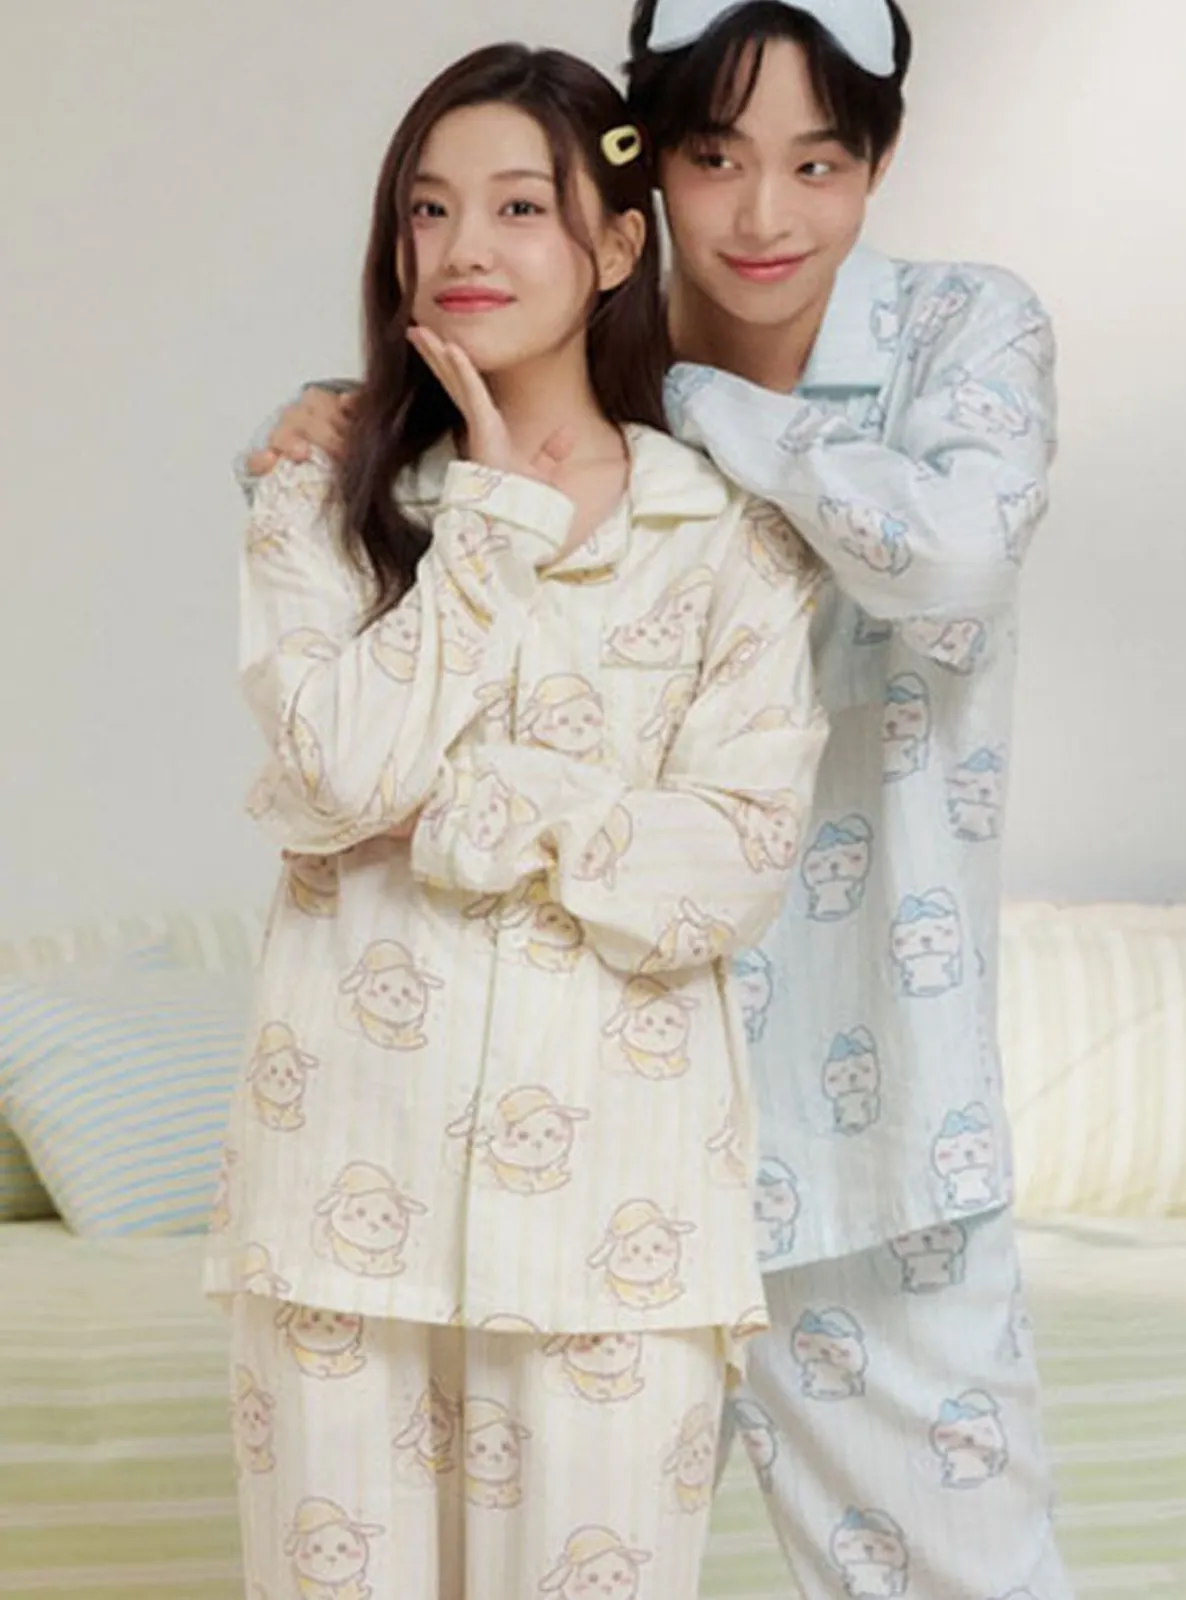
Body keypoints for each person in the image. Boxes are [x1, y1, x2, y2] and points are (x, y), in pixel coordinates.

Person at [245, 3, 1071, 1595]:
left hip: (863, 1099)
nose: (763, 214)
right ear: (644, 180)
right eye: (712, 158)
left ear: (879, 159)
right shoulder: (547, 348)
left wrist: (687, 406)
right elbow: (351, 676)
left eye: (818, 163)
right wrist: (347, 423)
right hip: (573, 1120)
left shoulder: (950, 332)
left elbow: (958, 556)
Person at [208, 39, 828, 1600]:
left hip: (622, 1232)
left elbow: (731, 865)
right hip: (339, 1206)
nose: (462, 247)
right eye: (428, 209)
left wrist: (489, 811)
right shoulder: (316, 501)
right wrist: (482, 520)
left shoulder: (727, 542)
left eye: (517, 207)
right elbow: (340, 773)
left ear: (616, 246)